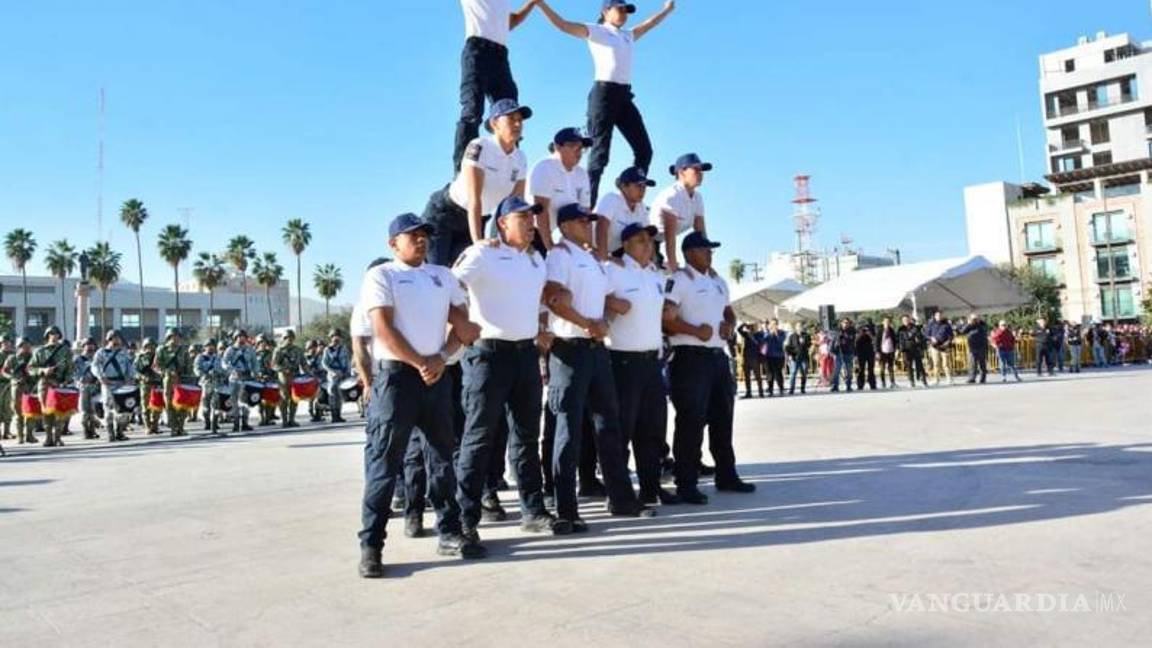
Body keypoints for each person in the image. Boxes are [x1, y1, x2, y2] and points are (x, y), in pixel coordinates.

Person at [357, 213, 486, 578]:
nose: (420, 240)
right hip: (396, 381)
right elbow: (382, 329)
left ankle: (449, 531)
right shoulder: (382, 276)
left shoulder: (442, 277)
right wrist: (421, 361)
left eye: (424, 235)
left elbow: (464, 326)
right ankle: (371, 545)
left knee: (443, 458)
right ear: (393, 244)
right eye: (411, 235)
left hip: (436, 379)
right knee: (385, 463)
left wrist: (441, 357)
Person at [453, 196, 562, 537]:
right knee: (479, 437)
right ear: (502, 222)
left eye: (533, 217)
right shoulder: (483, 253)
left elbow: (538, 299)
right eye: (523, 217)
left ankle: (533, 511)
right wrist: (459, 322)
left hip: (525, 355)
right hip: (488, 355)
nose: (531, 223)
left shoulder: (535, 261)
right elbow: (449, 285)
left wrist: (542, 327)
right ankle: (465, 519)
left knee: (526, 436)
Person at [543, 202, 655, 528]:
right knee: (568, 429)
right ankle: (566, 508)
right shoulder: (559, 255)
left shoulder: (593, 259)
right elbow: (553, 297)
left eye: (589, 220)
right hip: (569, 349)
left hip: (596, 350)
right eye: (580, 221)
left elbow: (607, 299)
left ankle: (621, 499)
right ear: (564, 226)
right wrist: (587, 322)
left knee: (609, 425)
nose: (587, 225)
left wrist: (605, 317)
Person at [534, 0, 676, 204]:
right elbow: (563, 25)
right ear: (606, 11)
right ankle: (588, 204)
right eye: (620, 9)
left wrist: (667, 10)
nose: (624, 13)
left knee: (644, 150)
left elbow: (650, 24)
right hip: (604, 95)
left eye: (627, 10)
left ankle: (632, 193)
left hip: (624, 97)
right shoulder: (597, 31)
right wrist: (541, 5)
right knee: (600, 154)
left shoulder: (628, 35)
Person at [663, 231, 756, 503]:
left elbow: (727, 309)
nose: (710, 253)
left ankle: (726, 474)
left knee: (722, 419)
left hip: (716, 356)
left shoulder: (717, 280)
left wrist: (729, 322)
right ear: (690, 253)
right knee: (691, 422)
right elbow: (665, 317)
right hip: (690, 357)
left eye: (711, 249)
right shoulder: (679, 280)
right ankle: (686, 482)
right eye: (705, 249)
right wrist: (693, 330)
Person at [604, 222, 678, 505]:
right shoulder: (615, 270)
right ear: (625, 246)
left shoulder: (655, 274)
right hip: (623, 360)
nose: (648, 245)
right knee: (621, 431)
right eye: (639, 241)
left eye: (650, 240)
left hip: (652, 361)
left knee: (652, 430)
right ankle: (619, 494)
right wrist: (612, 302)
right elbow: (597, 295)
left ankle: (650, 488)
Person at [427, 98, 531, 267]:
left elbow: (513, 207)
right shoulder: (480, 146)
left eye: (520, 120)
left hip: (478, 220)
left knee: (466, 278)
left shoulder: (520, 158)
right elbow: (474, 198)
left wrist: (513, 244)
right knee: (438, 274)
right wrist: (478, 242)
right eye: (511, 119)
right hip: (445, 215)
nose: (518, 124)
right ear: (495, 123)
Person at [453, 0, 539, 172]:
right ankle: (463, 172)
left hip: (501, 57)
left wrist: (532, 4)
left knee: (511, 114)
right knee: (472, 111)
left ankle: (511, 171)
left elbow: (510, 22)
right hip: (477, 51)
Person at [527, 127, 593, 253]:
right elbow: (541, 211)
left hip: (554, 231)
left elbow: (586, 214)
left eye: (581, 147)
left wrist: (588, 245)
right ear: (558, 147)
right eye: (573, 145)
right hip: (531, 234)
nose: (578, 151)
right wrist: (550, 246)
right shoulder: (544, 168)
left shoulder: (582, 174)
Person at [651, 153, 711, 271]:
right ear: (681, 172)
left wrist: (708, 266)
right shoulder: (672, 196)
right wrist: (673, 263)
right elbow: (670, 235)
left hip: (658, 242)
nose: (700, 173)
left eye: (701, 170)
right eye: (696, 169)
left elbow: (701, 234)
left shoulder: (697, 198)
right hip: (645, 241)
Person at [594, 166, 656, 259]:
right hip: (589, 248)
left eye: (644, 186)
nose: (642, 190)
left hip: (612, 253)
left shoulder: (641, 207)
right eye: (638, 185)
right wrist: (603, 258)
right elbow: (601, 226)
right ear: (623, 186)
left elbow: (646, 236)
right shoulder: (612, 199)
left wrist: (651, 262)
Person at [30, 325, 73, 447]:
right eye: (51, 334)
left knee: (60, 411)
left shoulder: (65, 351)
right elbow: (30, 368)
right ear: (47, 336)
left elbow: (70, 368)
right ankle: (48, 437)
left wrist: (66, 380)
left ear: (59, 335)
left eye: (56, 334)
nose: (53, 336)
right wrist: (42, 370)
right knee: (47, 411)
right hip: (44, 383)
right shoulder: (39, 351)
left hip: (59, 383)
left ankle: (58, 437)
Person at [91, 330, 135, 442]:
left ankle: (120, 431)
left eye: (119, 338)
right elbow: (95, 366)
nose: (117, 340)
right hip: (108, 383)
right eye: (115, 338)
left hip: (122, 384)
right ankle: (110, 433)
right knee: (108, 408)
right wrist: (100, 377)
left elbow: (130, 366)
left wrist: (130, 378)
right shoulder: (101, 352)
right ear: (109, 339)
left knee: (124, 409)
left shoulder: (124, 353)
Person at [154, 329, 193, 436]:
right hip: (168, 380)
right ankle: (173, 427)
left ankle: (181, 427)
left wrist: (189, 377)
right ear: (168, 337)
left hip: (182, 379)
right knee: (169, 404)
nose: (175, 338)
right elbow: (156, 366)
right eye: (173, 336)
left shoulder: (183, 350)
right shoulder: (161, 349)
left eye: (177, 336)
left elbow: (189, 365)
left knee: (182, 404)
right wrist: (165, 372)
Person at [2, 337, 36, 444]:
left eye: (28, 345)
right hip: (16, 387)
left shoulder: (33, 358)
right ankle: (20, 436)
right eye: (24, 345)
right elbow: (4, 371)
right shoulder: (12, 358)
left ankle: (29, 435)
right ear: (19, 346)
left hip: (30, 387)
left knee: (30, 412)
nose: (26, 347)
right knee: (18, 412)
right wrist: (13, 377)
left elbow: (36, 370)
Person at [222, 330, 257, 432]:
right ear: (235, 338)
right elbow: (224, 363)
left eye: (243, 336)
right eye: (239, 336)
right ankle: (236, 423)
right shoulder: (230, 350)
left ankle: (245, 422)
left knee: (246, 402)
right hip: (234, 379)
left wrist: (256, 373)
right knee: (234, 402)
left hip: (246, 378)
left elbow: (255, 363)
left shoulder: (250, 350)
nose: (241, 338)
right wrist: (232, 370)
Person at [272, 330, 306, 428]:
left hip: (295, 377)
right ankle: (284, 421)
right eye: (286, 337)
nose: (289, 339)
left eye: (291, 337)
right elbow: (274, 365)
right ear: (283, 338)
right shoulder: (278, 350)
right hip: (283, 378)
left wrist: (308, 373)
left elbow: (303, 363)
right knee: (284, 399)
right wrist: (283, 370)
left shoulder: (298, 350)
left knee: (294, 399)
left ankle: (292, 419)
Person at [321, 329, 351, 424]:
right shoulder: (327, 350)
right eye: (334, 336)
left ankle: (338, 414)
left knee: (339, 395)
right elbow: (324, 363)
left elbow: (347, 361)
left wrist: (347, 372)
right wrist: (332, 371)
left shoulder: (343, 348)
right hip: (332, 375)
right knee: (332, 394)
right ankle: (334, 415)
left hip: (342, 373)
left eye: (337, 336)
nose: (336, 338)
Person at [194, 339, 224, 432]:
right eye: (208, 345)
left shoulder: (218, 358)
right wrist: (204, 374)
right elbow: (196, 369)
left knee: (216, 404)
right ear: (205, 347)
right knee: (205, 404)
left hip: (216, 383)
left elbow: (223, 369)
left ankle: (214, 423)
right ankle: (207, 422)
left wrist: (219, 373)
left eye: (212, 345)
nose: (210, 347)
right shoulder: (200, 357)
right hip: (205, 383)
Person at [71, 338, 98, 439]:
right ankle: (86, 431)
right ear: (83, 346)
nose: (90, 346)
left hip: (95, 386)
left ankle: (92, 430)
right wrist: (79, 381)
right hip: (83, 387)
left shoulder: (97, 358)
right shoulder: (78, 360)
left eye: (92, 344)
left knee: (93, 410)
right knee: (84, 411)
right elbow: (74, 374)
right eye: (87, 344)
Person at [134, 337, 163, 434]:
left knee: (157, 406)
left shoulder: (158, 357)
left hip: (157, 384)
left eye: (153, 346)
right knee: (145, 406)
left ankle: (155, 425)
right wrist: (141, 377)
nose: (151, 348)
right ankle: (148, 426)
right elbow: (135, 371)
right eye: (148, 346)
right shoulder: (140, 357)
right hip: (145, 384)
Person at [735, 322, 764, 399]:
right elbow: (738, 329)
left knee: (758, 376)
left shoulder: (759, 335)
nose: (750, 328)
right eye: (750, 327)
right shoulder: (746, 334)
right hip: (746, 358)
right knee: (747, 377)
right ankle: (749, 392)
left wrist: (762, 357)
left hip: (755, 358)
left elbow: (762, 345)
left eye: (752, 327)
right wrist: (744, 324)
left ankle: (761, 392)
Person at [897, 315, 928, 388]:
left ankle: (924, 380)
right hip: (906, 350)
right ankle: (911, 381)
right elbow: (900, 340)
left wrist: (918, 340)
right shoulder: (901, 329)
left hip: (915, 348)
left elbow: (919, 336)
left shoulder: (915, 327)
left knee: (919, 365)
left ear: (909, 320)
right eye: (904, 320)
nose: (905, 321)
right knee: (909, 366)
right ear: (902, 321)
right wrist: (901, 349)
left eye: (907, 320)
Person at [925, 311, 955, 386]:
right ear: (935, 316)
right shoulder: (931, 324)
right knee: (936, 364)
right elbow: (926, 334)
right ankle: (936, 379)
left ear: (942, 316)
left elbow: (951, 335)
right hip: (934, 346)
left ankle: (949, 379)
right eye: (937, 315)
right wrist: (931, 338)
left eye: (940, 315)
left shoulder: (946, 324)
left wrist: (948, 342)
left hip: (944, 346)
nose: (939, 317)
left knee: (946, 364)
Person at [960, 313, 990, 384]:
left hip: (982, 347)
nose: (975, 320)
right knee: (972, 363)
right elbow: (962, 331)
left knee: (982, 363)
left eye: (976, 318)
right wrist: (969, 324)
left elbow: (985, 329)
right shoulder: (970, 326)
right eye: (974, 319)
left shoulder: (983, 325)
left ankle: (983, 378)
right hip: (972, 347)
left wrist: (980, 321)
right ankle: (972, 378)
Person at [784, 322, 811, 395]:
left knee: (804, 374)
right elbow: (787, 347)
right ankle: (791, 389)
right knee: (793, 373)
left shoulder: (806, 335)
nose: (799, 328)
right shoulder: (792, 336)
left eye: (800, 326)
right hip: (795, 357)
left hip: (804, 357)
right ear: (796, 328)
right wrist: (789, 355)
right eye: (798, 326)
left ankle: (803, 388)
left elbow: (809, 345)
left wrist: (804, 342)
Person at [762, 319, 788, 396]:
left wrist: (776, 333)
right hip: (769, 356)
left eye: (775, 324)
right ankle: (770, 389)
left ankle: (781, 388)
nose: (773, 326)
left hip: (779, 356)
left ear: (777, 324)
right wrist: (770, 333)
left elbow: (781, 341)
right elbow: (764, 340)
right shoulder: (767, 332)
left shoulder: (782, 332)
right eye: (772, 324)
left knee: (778, 373)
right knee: (769, 374)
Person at [830, 318, 856, 393]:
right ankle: (835, 386)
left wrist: (844, 335)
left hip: (848, 352)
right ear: (841, 323)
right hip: (839, 352)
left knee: (848, 370)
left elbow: (851, 339)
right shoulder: (838, 331)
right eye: (844, 322)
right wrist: (832, 350)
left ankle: (848, 385)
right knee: (837, 370)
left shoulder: (851, 331)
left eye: (847, 323)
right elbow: (833, 340)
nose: (845, 324)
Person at [876, 317, 898, 389]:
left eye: (888, 322)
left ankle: (892, 382)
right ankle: (883, 382)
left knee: (891, 367)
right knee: (882, 368)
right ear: (883, 322)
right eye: (885, 321)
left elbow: (895, 340)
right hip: (882, 351)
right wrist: (878, 352)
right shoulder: (880, 331)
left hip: (890, 351)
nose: (887, 323)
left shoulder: (891, 330)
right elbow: (877, 342)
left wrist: (895, 349)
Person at [854, 321, 877, 391]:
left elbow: (874, 340)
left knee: (871, 369)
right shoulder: (858, 332)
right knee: (861, 369)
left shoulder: (871, 332)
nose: (864, 330)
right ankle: (860, 385)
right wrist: (861, 334)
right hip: (861, 353)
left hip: (870, 352)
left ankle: (872, 384)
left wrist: (869, 334)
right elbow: (855, 342)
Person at [0, 334, 13, 440]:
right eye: (4, 342)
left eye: (8, 342)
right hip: (1, 384)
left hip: (11, 384)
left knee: (9, 408)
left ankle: (7, 431)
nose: (6, 344)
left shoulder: (13, 356)